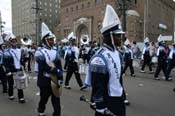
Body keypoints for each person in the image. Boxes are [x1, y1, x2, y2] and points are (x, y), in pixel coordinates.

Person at [85, 5, 126, 116]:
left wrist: (122, 95)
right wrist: (100, 105)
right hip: (107, 101)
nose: (121, 38)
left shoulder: (118, 54)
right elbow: (97, 86)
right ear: (110, 36)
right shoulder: (99, 58)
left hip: (118, 99)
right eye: (118, 36)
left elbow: (118, 79)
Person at [34, 22, 63, 116]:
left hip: (54, 80)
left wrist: (60, 78)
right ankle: (41, 111)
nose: (52, 41)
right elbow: (44, 67)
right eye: (50, 40)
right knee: (44, 99)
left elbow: (59, 66)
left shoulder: (55, 51)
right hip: (44, 80)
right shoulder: (39, 52)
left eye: (52, 39)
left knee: (56, 101)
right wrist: (56, 71)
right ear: (45, 40)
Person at [3, 33, 26, 103]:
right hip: (11, 69)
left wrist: (23, 64)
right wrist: (7, 71)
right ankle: (11, 94)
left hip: (19, 69)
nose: (14, 42)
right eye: (12, 41)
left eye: (15, 41)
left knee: (19, 83)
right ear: (10, 42)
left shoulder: (20, 50)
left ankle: (21, 97)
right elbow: (5, 63)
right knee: (11, 83)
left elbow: (21, 60)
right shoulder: (7, 52)